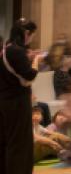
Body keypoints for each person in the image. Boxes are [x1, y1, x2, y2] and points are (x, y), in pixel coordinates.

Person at [0, 18, 40, 174]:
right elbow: (29, 77)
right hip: (17, 102)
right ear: (26, 33)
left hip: (6, 101)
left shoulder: (6, 48)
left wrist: (27, 58)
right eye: (32, 34)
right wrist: (35, 60)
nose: (31, 38)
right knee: (20, 143)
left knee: (8, 141)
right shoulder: (16, 51)